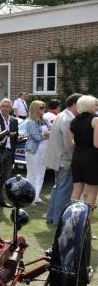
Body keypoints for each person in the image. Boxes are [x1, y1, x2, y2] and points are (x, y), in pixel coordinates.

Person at [44, 93, 81, 225]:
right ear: (75, 105)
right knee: (64, 191)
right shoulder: (68, 120)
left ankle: (51, 217)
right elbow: (68, 145)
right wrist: (71, 162)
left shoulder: (62, 115)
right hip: (64, 160)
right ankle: (58, 220)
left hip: (57, 159)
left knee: (57, 188)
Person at [69, 95, 98, 211]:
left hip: (77, 157)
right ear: (89, 105)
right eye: (95, 104)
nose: (97, 107)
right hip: (92, 158)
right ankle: (86, 222)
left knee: (76, 191)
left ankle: (70, 218)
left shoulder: (73, 121)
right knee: (92, 192)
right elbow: (97, 144)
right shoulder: (95, 120)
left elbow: (71, 143)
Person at [0, 98, 18, 207]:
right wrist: (6, 134)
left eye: (7, 106)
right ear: (0, 107)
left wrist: (18, 137)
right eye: (3, 106)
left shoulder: (14, 120)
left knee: (6, 178)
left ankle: (1, 200)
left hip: (10, 152)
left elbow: (15, 138)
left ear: (11, 108)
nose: (5, 108)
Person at [25, 100, 50, 204]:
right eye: (41, 107)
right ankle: (29, 197)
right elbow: (37, 137)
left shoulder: (45, 121)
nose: (43, 109)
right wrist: (47, 134)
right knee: (32, 174)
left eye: (43, 107)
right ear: (35, 109)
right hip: (33, 150)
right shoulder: (30, 122)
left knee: (41, 174)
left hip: (44, 150)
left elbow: (52, 131)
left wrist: (46, 133)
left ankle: (36, 196)